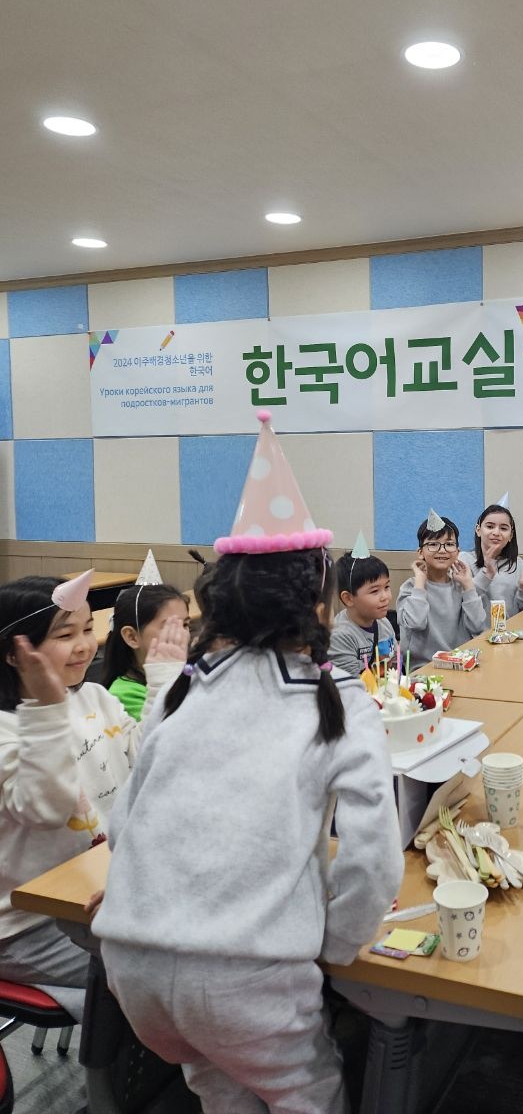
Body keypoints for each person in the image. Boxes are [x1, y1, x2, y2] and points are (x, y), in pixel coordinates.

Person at [92, 409, 404, 1114]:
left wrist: (140, 893)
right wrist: (334, 944)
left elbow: (125, 823)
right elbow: (374, 859)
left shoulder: (184, 688)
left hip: (134, 969)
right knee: (304, 1095)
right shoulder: (337, 699)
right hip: (250, 978)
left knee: (218, 1085)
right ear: (319, 605)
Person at [0, 572, 184, 1021]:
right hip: (28, 925)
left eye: (87, 629)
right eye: (66, 635)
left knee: (193, 945)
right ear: (13, 653)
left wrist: (163, 683)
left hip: (98, 892)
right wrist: (47, 710)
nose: (85, 645)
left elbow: (149, 766)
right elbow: (45, 809)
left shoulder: (96, 698)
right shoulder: (6, 728)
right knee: (165, 973)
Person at [396, 510, 486, 666]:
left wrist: (468, 586)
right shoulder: (410, 588)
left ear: (457, 552)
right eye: (433, 544)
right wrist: (420, 583)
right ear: (420, 552)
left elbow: (478, 626)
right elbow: (416, 623)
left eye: (449, 544)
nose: (442, 550)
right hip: (424, 668)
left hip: (460, 663)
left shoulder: (461, 586)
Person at [101, 583, 190, 720]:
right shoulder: (125, 694)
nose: (182, 635)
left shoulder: (187, 670)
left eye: (185, 625)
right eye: (169, 627)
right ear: (132, 637)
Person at [459, 501, 523, 619]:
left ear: (511, 535)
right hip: (476, 630)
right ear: (478, 530)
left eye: (503, 528)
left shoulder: (517, 563)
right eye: (490, 526)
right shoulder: (464, 560)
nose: (496, 532)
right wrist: (486, 574)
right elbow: (462, 600)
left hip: (511, 629)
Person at [330, 544, 396, 678]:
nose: (385, 597)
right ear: (348, 598)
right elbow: (350, 685)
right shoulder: (340, 636)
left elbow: (394, 666)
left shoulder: (384, 623)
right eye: (375, 591)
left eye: (387, 587)